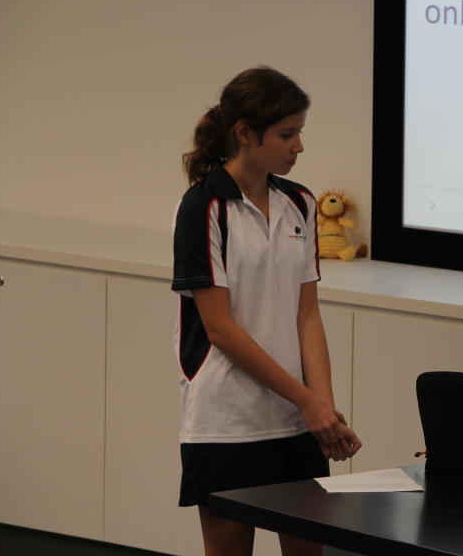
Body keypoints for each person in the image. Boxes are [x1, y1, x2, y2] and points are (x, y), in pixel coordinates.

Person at [171, 66, 361, 556]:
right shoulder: (203, 208)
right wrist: (308, 402)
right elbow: (222, 330)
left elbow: (308, 317)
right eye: (286, 134)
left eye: (299, 133)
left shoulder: (299, 202)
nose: (298, 147)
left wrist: (323, 408)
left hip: (297, 421)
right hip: (226, 423)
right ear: (244, 134)